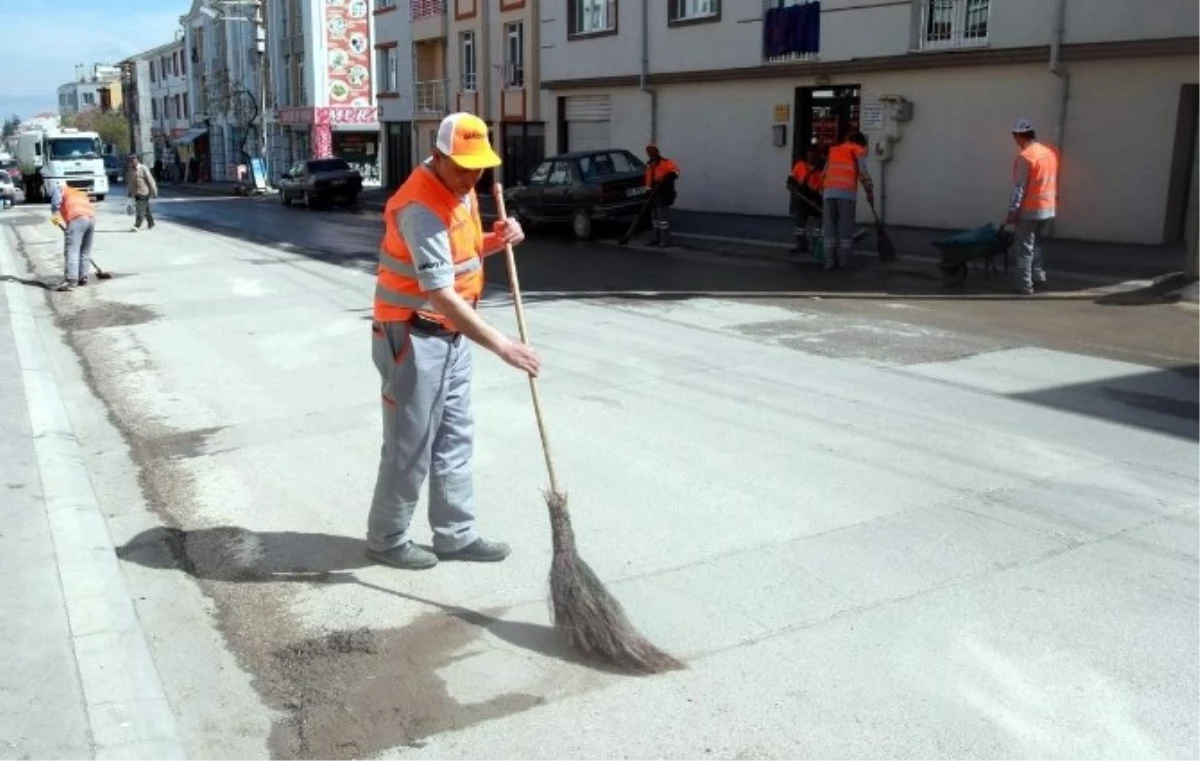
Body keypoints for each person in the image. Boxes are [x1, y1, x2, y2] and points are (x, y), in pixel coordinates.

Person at [366, 111, 541, 571]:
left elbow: (457, 254)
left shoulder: (458, 191)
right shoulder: (420, 207)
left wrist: (496, 239)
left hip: (449, 336)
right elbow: (439, 292)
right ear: (438, 156)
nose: (472, 176)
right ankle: (386, 539)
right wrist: (502, 345)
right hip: (411, 334)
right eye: (463, 167)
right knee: (411, 444)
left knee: (455, 438)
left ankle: (455, 535)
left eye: (479, 166)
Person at [1006, 118, 1059, 295]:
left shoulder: (1026, 157)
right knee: (1036, 245)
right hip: (1048, 208)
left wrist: (1013, 210)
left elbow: (1019, 187)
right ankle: (1038, 275)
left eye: (1015, 138)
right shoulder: (1049, 153)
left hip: (1030, 210)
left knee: (1024, 249)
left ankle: (1024, 285)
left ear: (1019, 137)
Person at [821, 132, 873, 270]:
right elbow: (863, 172)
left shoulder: (834, 150)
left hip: (828, 193)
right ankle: (845, 262)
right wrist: (869, 190)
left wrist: (823, 191)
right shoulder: (857, 150)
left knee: (829, 228)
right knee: (845, 229)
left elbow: (824, 173)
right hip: (846, 194)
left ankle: (829, 261)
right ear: (860, 143)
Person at [49, 185, 96, 291]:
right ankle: (83, 277)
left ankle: (71, 280)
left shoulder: (59, 189)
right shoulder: (77, 192)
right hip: (91, 219)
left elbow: (56, 202)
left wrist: (54, 214)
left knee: (72, 251)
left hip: (77, 218)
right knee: (85, 250)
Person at [786, 144, 824, 254]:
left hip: (816, 198)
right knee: (799, 225)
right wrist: (790, 184)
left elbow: (823, 186)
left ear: (817, 155)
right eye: (809, 154)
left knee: (818, 226)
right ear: (807, 155)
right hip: (801, 198)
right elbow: (793, 178)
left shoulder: (821, 169)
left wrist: (817, 199)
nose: (811, 156)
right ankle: (801, 244)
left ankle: (816, 246)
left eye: (813, 154)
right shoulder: (800, 165)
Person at [644, 144, 681, 247]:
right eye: (648, 152)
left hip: (664, 194)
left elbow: (676, 172)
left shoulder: (666, 162)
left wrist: (666, 178)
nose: (649, 154)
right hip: (653, 194)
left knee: (663, 220)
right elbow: (648, 181)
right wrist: (647, 191)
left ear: (656, 152)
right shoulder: (649, 165)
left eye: (651, 152)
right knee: (655, 220)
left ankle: (664, 240)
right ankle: (655, 238)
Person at [127, 155, 158, 231]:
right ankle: (151, 223)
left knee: (140, 210)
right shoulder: (131, 170)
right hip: (136, 193)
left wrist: (154, 191)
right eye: (131, 160)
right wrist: (130, 192)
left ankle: (137, 225)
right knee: (146, 209)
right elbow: (130, 182)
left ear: (137, 160)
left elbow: (150, 180)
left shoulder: (143, 168)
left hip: (143, 192)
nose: (132, 162)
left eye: (134, 160)